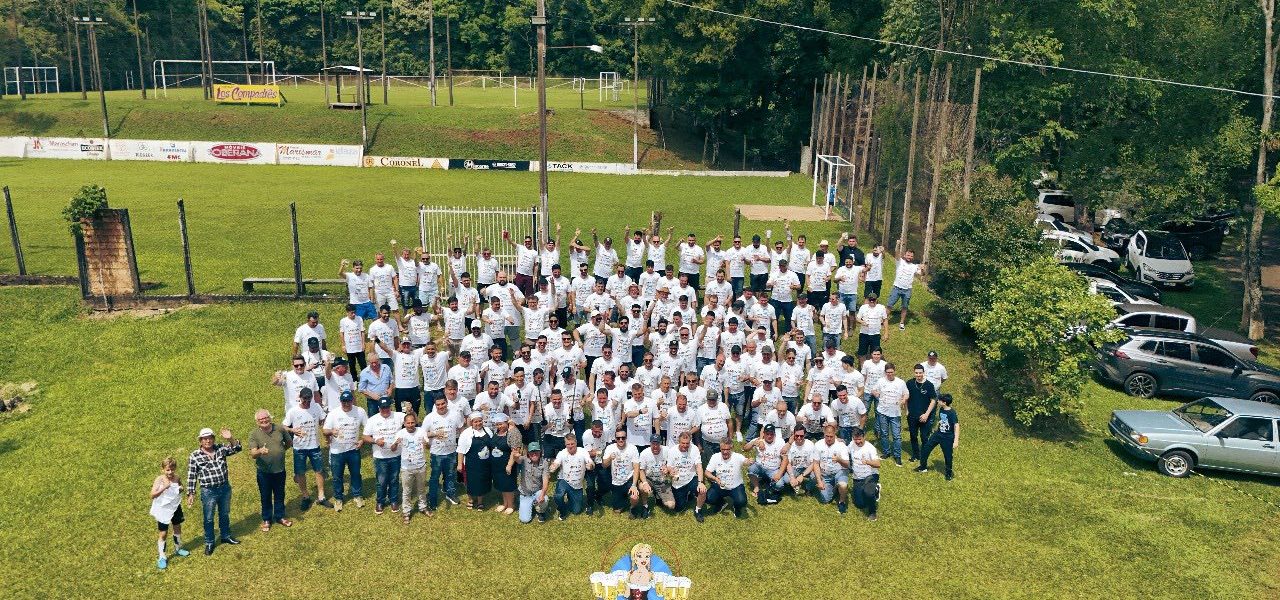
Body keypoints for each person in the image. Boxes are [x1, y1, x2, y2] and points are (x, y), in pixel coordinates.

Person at [185, 427, 241, 556]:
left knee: (224, 514)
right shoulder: (195, 456)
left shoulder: (221, 448)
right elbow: (192, 475)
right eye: (205, 439)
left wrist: (230, 439)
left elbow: (237, 448)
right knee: (209, 518)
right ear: (200, 441)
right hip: (208, 491)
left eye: (210, 438)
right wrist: (191, 493)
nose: (208, 441)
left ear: (214, 439)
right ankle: (209, 542)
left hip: (224, 488)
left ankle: (225, 536)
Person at [283, 389, 331, 511]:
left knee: (319, 470)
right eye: (304, 399)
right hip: (299, 447)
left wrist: (324, 427)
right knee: (300, 473)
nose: (307, 402)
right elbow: (284, 426)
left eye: (309, 399)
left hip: (315, 446)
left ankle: (321, 496)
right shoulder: (293, 411)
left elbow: (322, 419)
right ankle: (305, 496)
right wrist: (292, 430)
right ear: (300, 397)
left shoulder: (316, 407)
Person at [323, 390, 367, 512]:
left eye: (348, 401)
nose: (346, 404)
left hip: (353, 449)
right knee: (337, 476)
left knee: (356, 474)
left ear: (352, 400)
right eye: (344, 401)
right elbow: (325, 430)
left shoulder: (360, 411)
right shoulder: (333, 413)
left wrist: (362, 440)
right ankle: (338, 498)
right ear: (340, 401)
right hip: (337, 451)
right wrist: (331, 431)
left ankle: (357, 495)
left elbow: (368, 428)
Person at [248, 409, 292, 532]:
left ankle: (280, 516)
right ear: (257, 422)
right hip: (264, 472)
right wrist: (260, 451)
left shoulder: (280, 429)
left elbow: (289, 442)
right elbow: (253, 454)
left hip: (280, 470)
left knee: (280, 494)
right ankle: (267, 519)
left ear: (270, 417)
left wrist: (281, 450)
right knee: (265, 495)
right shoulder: (254, 434)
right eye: (261, 419)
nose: (264, 420)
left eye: (265, 417)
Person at [421, 396, 463, 511]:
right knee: (435, 477)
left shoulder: (455, 415)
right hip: (436, 454)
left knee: (450, 475)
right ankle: (432, 498)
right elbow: (422, 433)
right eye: (438, 405)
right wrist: (434, 434)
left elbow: (461, 429)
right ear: (435, 405)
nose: (440, 406)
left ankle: (450, 493)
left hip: (451, 452)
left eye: (443, 404)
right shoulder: (430, 417)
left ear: (446, 403)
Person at [149, 457, 190, 570]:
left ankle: (178, 548)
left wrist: (181, 489)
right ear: (163, 469)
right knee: (163, 533)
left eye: (172, 469)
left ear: (175, 468)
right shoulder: (159, 479)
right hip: (163, 509)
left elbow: (181, 487)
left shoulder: (177, 478)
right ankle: (162, 556)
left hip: (175, 507)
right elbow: (152, 495)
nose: (170, 472)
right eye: (167, 470)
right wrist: (164, 487)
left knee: (177, 527)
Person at [393, 411, 430, 523]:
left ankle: (423, 507)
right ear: (404, 424)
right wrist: (396, 443)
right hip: (406, 468)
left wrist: (426, 444)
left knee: (421, 489)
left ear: (415, 422)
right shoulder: (400, 433)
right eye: (408, 423)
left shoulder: (421, 431)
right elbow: (393, 449)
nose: (410, 425)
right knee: (406, 491)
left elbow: (428, 446)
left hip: (420, 466)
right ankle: (406, 511)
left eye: (412, 422)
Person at [915, 393, 959, 480]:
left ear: (944, 402)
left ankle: (948, 474)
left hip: (947, 437)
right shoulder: (941, 409)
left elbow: (956, 426)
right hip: (938, 434)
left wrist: (956, 440)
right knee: (926, 448)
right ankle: (923, 467)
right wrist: (936, 428)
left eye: (939, 400)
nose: (937, 401)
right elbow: (942, 420)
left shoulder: (952, 413)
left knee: (948, 456)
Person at [550, 433, 594, 520]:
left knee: (576, 511)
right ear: (565, 444)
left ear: (576, 442)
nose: (570, 446)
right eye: (568, 444)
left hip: (577, 485)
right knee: (558, 496)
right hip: (564, 480)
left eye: (572, 444)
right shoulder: (562, 453)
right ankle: (562, 511)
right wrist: (553, 467)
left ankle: (571, 497)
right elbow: (556, 463)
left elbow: (591, 462)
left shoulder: (583, 451)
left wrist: (591, 466)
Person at [872, 363, 909, 466]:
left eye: (891, 372)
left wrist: (903, 400)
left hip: (895, 414)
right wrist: (876, 393)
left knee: (896, 436)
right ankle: (886, 452)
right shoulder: (880, 381)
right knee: (884, 433)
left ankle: (897, 456)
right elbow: (873, 390)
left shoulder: (900, 382)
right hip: (882, 412)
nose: (889, 374)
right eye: (888, 372)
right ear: (885, 372)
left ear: (894, 371)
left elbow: (906, 393)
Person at [665, 431, 707, 521]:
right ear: (678, 442)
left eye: (687, 443)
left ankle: (698, 510)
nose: (685, 445)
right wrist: (671, 471)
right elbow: (669, 466)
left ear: (690, 441)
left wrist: (701, 482)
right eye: (683, 443)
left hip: (691, 478)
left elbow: (699, 466)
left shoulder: (694, 449)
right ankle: (688, 494)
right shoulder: (672, 450)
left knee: (702, 491)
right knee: (678, 508)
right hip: (678, 482)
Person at [457, 412, 495, 511]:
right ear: (471, 422)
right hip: (471, 463)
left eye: (480, 421)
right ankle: (470, 500)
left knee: (482, 481)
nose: (478, 423)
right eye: (475, 422)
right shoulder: (466, 433)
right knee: (470, 481)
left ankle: (480, 501)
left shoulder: (488, 431)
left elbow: (492, 446)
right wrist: (459, 464)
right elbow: (461, 450)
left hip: (485, 463)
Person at [704, 439, 748, 518]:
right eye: (723, 449)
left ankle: (736, 507)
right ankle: (721, 503)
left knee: (742, 501)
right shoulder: (715, 457)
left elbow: (745, 461)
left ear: (732, 448)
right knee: (708, 498)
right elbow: (707, 472)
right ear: (720, 448)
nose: (725, 452)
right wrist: (715, 479)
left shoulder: (737, 456)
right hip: (720, 485)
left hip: (736, 486)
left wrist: (748, 462)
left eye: (727, 449)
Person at [743, 424, 786, 505]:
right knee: (751, 469)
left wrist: (779, 473)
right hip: (759, 466)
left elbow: (785, 459)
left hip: (773, 469)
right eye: (767, 434)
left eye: (771, 434)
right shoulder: (759, 440)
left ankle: (768, 484)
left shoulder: (780, 442)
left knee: (779, 485)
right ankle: (756, 487)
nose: (769, 436)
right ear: (764, 434)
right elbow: (745, 448)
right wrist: (753, 443)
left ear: (775, 434)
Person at [813, 424, 851, 514]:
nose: (829, 438)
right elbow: (815, 463)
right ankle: (835, 488)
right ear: (824, 434)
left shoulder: (841, 446)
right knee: (825, 499)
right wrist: (819, 481)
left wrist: (839, 460)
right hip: (825, 475)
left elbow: (847, 465)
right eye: (827, 436)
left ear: (835, 434)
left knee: (843, 485)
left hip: (839, 472)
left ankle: (842, 502)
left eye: (831, 436)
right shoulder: (818, 445)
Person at [602, 429, 641, 517]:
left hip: (629, 479)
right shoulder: (610, 448)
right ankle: (623, 499)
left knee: (634, 497)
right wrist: (610, 458)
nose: (621, 440)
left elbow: (636, 467)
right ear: (615, 438)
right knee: (617, 510)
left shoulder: (632, 448)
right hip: (616, 481)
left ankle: (633, 508)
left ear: (626, 438)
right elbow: (604, 465)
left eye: (623, 438)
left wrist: (634, 485)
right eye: (618, 438)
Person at [906, 364, 938, 463]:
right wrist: (906, 410)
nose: (918, 375)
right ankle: (916, 455)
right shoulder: (910, 383)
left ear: (923, 373)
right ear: (914, 373)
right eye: (916, 373)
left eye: (920, 373)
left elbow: (933, 400)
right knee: (913, 436)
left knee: (924, 437)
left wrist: (926, 414)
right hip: (912, 415)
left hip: (925, 416)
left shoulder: (929, 385)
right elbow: (906, 397)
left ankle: (924, 456)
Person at [848, 427, 881, 520]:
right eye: (855, 439)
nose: (857, 441)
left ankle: (872, 512)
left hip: (870, 476)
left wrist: (867, 462)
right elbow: (845, 450)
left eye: (859, 439)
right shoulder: (851, 444)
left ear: (864, 437)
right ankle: (871, 490)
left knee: (868, 493)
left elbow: (878, 464)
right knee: (860, 505)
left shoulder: (870, 448)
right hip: (857, 477)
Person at [886, 249, 924, 330]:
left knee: (904, 307)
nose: (909, 257)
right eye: (908, 255)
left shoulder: (914, 266)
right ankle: (884, 321)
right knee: (889, 305)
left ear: (913, 257)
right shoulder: (899, 262)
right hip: (896, 288)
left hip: (907, 290)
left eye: (911, 256)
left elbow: (922, 274)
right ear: (904, 255)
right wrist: (899, 245)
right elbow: (896, 253)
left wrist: (922, 269)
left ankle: (902, 323)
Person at [515, 442, 552, 523]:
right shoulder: (524, 459)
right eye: (532, 452)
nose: (534, 454)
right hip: (525, 494)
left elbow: (546, 481)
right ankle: (530, 505)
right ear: (528, 453)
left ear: (540, 452)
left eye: (536, 451)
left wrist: (542, 494)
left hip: (537, 492)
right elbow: (517, 460)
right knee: (525, 520)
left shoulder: (545, 463)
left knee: (545, 498)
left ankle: (540, 512)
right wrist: (515, 455)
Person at [855, 294, 889, 361]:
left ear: (876, 300)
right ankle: (862, 366)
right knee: (862, 353)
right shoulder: (863, 307)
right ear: (868, 300)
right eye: (870, 300)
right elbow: (857, 318)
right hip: (864, 334)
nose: (872, 301)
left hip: (876, 334)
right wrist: (862, 322)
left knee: (875, 353)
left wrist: (886, 333)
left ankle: (873, 365)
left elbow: (885, 320)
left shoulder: (881, 308)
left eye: (873, 300)